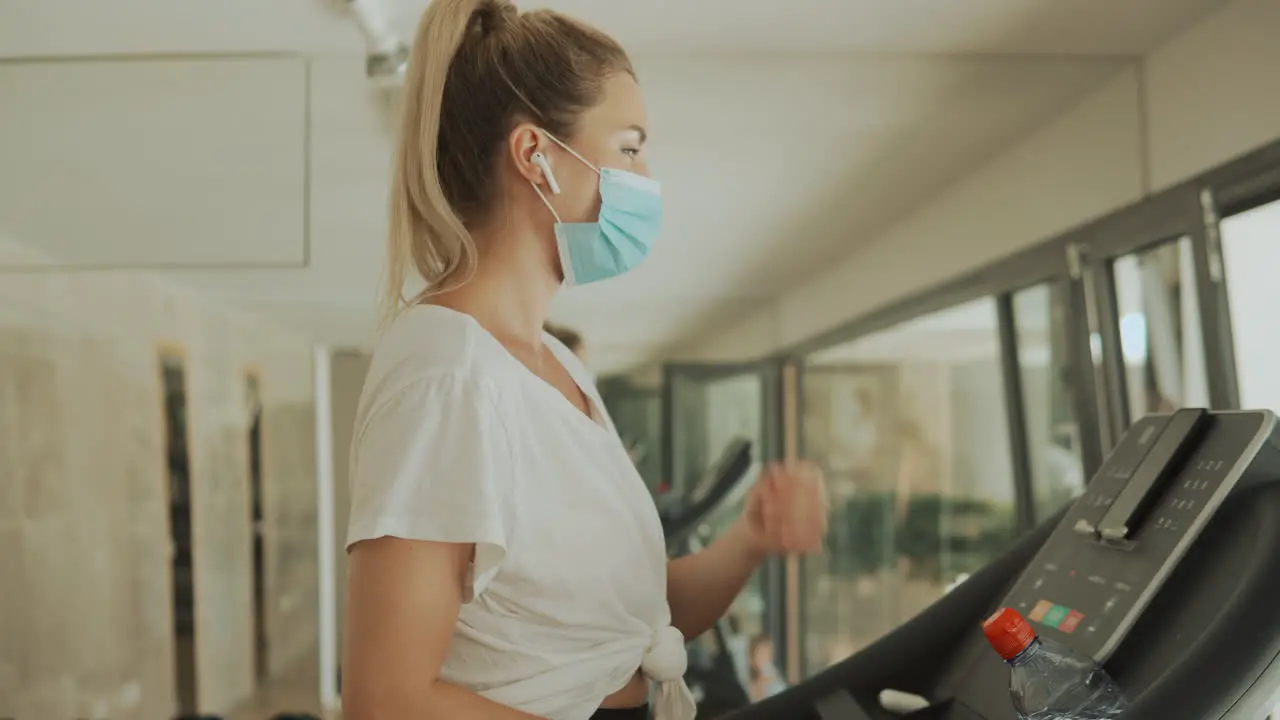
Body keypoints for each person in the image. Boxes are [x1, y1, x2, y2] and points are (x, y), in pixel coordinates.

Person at [340, 2, 830, 720]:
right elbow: (388, 704)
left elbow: (630, 628)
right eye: (630, 149)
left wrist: (751, 538)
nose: (647, 176)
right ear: (536, 155)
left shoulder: (554, 366)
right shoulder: (447, 378)